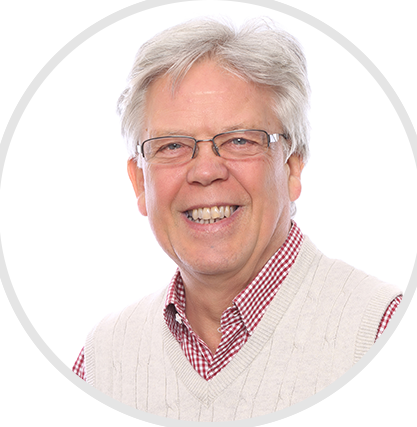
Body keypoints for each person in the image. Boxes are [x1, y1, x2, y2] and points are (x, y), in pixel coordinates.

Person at [56, 17, 403, 424]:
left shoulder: (385, 341)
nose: (206, 171)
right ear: (139, 182)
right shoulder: (102, 364)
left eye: (240, 140)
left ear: (292, 168)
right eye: (172, 145)